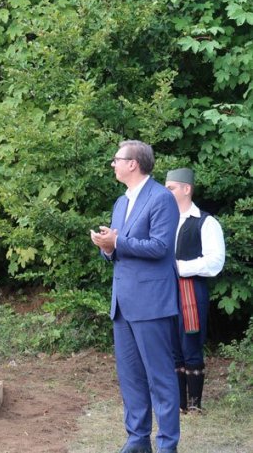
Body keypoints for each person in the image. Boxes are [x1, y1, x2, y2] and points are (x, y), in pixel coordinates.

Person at [90, 140, 180, 453]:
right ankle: (138, 439)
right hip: (123, 302)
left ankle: (167, 445)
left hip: (152, 302)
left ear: (133, 163)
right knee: (131, 377)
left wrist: (118, 242)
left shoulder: (161, 198)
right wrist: (107, 246)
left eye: (117, 159)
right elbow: (118, 249)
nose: (112, 164)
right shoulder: (121, 202)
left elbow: (161, 247)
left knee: (160, 378)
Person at [165, 168, 225, 414]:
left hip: (192, 290)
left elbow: (215, 262)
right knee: (171, 344)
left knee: (191, 342)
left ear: (186, 189)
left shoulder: (206, 222)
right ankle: (179, 403)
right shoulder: (164, 220)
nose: (166, 192)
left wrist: (179, 267)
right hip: (166, 290)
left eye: (171, 188)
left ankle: (194, 404)